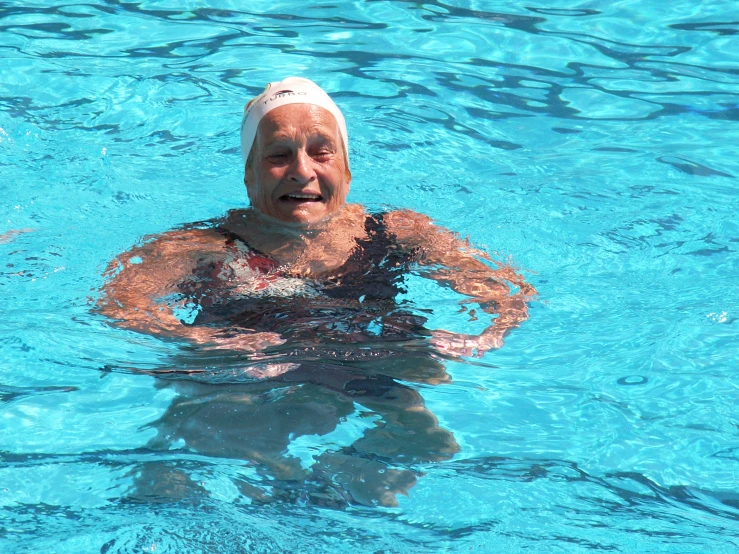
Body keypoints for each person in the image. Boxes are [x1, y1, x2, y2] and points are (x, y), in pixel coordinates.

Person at [97, 77, 535, 506]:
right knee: (186, 471)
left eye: (321, 153)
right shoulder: (203, 246)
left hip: (363, 369)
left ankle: (326, 490)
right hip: (240, 382)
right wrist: (203, 339)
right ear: (249, 174)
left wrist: (485, 335)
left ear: (346, 168)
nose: (302, 171)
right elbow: (116, 302)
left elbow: (509, 293)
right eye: (279, 155)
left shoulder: (397, 231)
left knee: (431, 443)